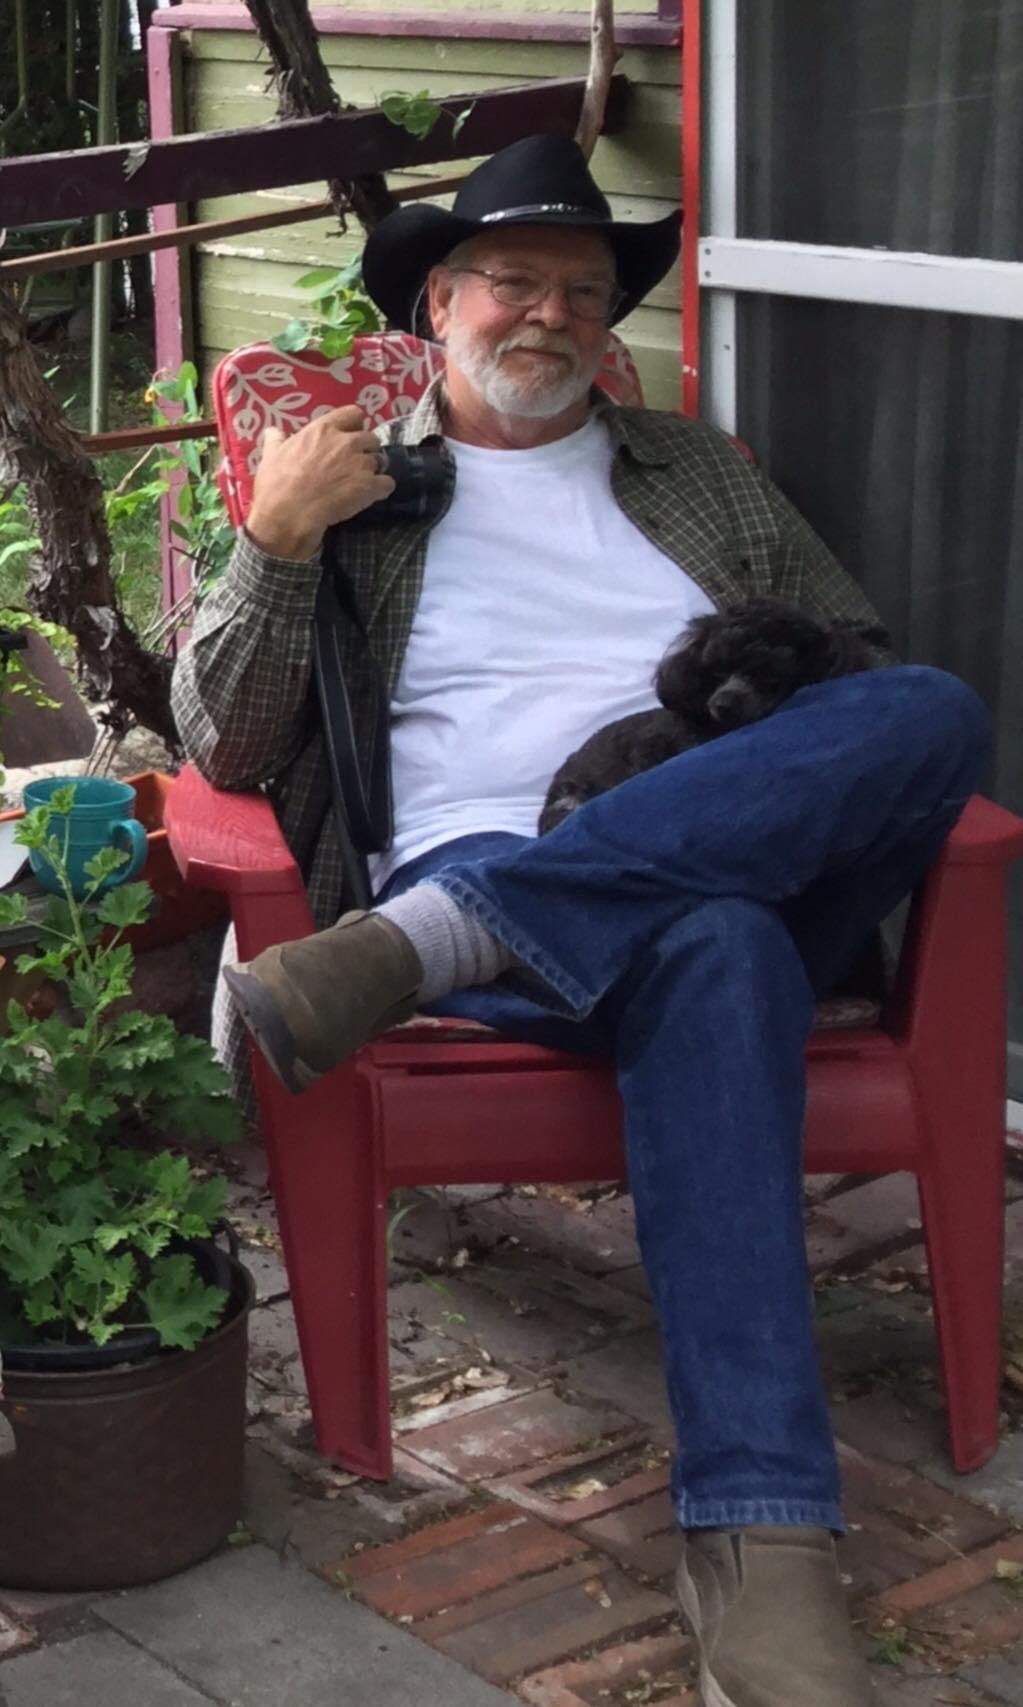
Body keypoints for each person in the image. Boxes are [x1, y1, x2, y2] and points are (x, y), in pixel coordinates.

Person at [171, 135, 990, 1707]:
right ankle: (763, 1538)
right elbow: (226, 745)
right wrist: (275, 540)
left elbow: (857, 670)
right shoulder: (353, 483)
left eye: (583, 290)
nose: (548, 314)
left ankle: (437, 939)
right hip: (530, 872)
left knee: (935, 710)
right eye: (513, 281)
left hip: (700, 845)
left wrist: (726, 767)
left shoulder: (697, 473)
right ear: (439, 301)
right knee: (718, 945)